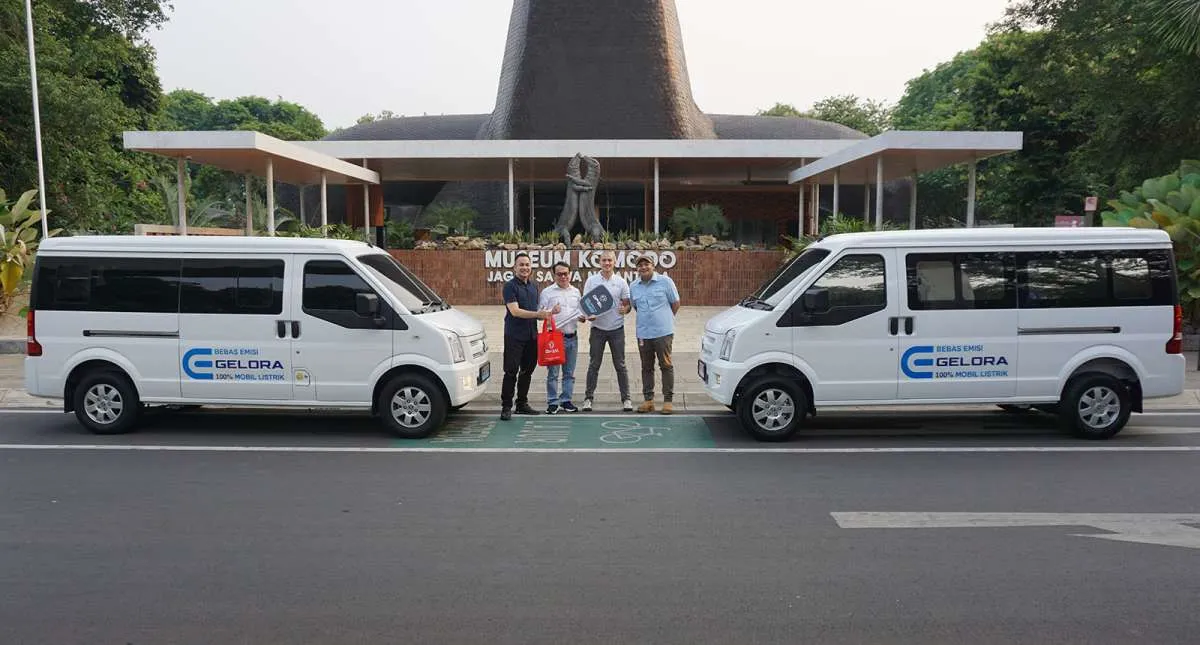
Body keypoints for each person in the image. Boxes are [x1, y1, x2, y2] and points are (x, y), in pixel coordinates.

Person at [501, 251, 557, 421]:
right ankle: (506, 406)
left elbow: (539, 310)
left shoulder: (533, 286)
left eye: (527, 265)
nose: (525, 268)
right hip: (514, 336)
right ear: (515, 267)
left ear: (530, 268)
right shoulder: (510, 286)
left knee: (527, 371)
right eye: (521, 265)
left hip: (532, 336)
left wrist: (549, 314)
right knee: (511, 371)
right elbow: (515, 311)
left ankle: (522, 403)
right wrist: (539, 315)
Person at [581, 250, 633, 412]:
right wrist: (589, 315)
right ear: (599, 262)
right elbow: (586, 304)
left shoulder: (621, 282)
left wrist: (626, 310)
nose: (607, 263)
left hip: (617, 329)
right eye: (604, 260)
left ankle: (626, 399)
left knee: (621, 365)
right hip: (597, 329)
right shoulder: (592, 281)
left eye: (610, 260)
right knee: (594, 364)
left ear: (615, 262)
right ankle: (588, 398)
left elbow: (627, 304)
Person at [629, 254, 680, 415]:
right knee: (646, 367)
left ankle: (668, 401)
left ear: (653, 265)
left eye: (647, 264)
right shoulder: (634, 286)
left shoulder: (666, 282)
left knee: (665, 365)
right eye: (640, 265)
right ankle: (649, 401)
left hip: (663, 332)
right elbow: (636, 307)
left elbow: (675, 303)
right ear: (637, 268)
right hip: (643, 333)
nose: (643, 267)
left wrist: (663, 320)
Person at [538, 261, 583, 414]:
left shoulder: (576, 292)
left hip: (572, 337)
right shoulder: (547, 292)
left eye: (565, 273)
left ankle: (566, 401)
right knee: (553, 373)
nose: (563, 277)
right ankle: (552, 401)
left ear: (570, 274)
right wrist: (552, 311)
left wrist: (583, 318)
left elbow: (579, 312)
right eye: (559, 274)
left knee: (569, 373)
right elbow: (540, 314)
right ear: (554, 275)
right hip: (555, 339)